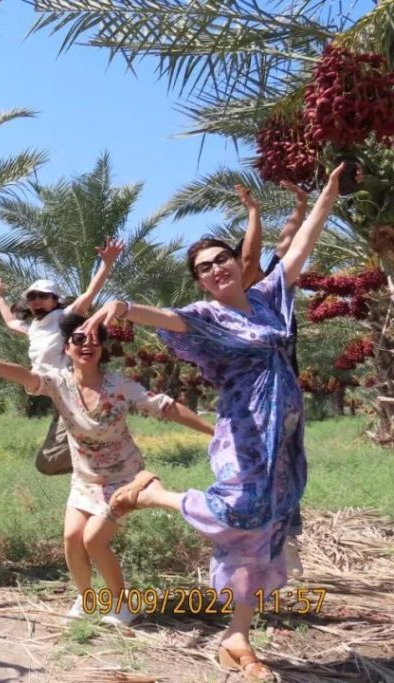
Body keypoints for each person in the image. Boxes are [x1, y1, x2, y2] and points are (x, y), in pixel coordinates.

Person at [79, 164, 347, 681]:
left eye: (221, 258)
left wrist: (329, 193)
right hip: (243, 436)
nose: (216, 269)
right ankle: (151, 494)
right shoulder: (206, 316)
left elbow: (302, 244)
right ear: (200, 280)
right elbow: (167, 318)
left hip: (283, 440)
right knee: (241, 511)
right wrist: (123, 306)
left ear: (236, 262)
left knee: (264, 531)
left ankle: (236, 637)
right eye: (204, 268)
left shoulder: (270, 298)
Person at [0, 313, 213, 625]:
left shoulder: (119, 385)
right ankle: (87, 598)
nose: (87, 344)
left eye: (94, 340)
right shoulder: (59, 382)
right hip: (85, 478)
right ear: (67, 347)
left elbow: (165, 407)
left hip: (124, 479)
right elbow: (27, 376)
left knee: (94, 540)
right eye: (78, 339)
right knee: (71, 538)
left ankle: (123, 605)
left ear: (103, 349)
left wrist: (214, 432)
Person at [0, 238, 124, 474]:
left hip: (72, 394)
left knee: (49, 461)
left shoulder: (65, 317)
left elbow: (89, 293)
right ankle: (100, 463)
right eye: (32, 297)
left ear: (55, 299)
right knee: (48, 463)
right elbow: (11, 322)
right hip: (56, 396)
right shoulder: (34, 327)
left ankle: (107, 457)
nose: (35, 301)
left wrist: (107, 263)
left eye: (42, 296)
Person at [236, 181, 310, 578]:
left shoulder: (274, 289)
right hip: (248, 400)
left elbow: (285, 241)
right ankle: (262, 547)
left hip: (281, 398)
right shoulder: (229, 306)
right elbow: (252, 255)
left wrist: (299, 205)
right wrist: (255, 213)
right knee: (255, 470)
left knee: (277, 467)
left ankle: (283, 547)